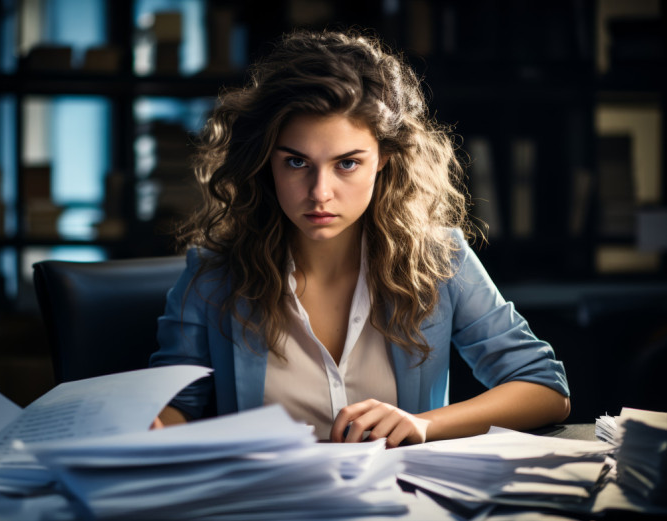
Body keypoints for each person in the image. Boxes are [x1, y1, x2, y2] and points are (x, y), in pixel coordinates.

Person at [149, 29, 570, 446]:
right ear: (265, 162)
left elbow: (544, 388)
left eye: (347, 163)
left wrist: (424, 424)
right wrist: (155, 425)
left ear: (384, 158)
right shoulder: (213, 275)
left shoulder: (441, 260)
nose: (319, 192)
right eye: (296, 162)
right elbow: (176, 406)